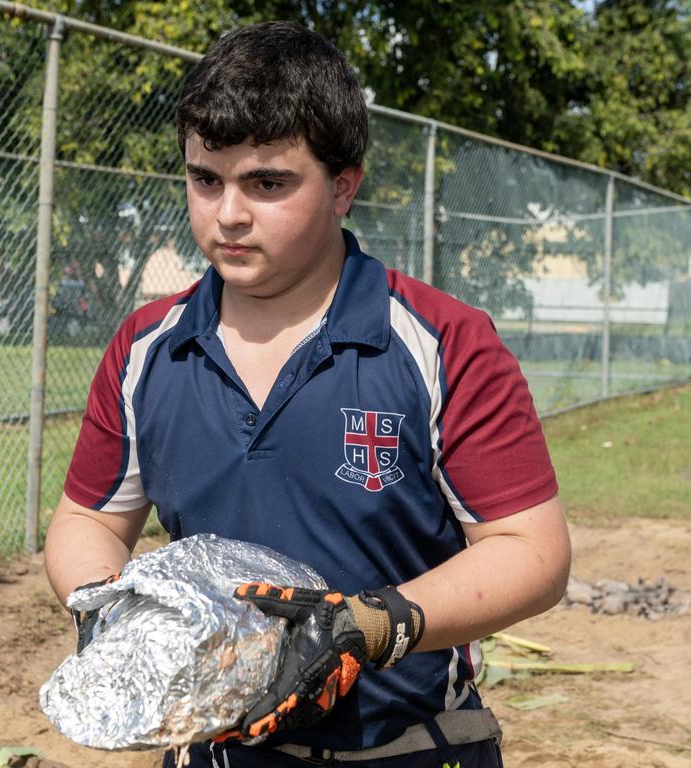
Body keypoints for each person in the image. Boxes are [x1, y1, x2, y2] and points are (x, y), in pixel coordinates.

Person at [45, 20, 571, 768]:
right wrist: (108, 608)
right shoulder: (145, 349)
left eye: (267, 183)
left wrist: (375, 625)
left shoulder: (444, 343)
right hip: (212, 751)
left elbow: (533, 553)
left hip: (405, 750)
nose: (228, 213)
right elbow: (86, 520)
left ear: (343, 186)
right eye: (206, 179)